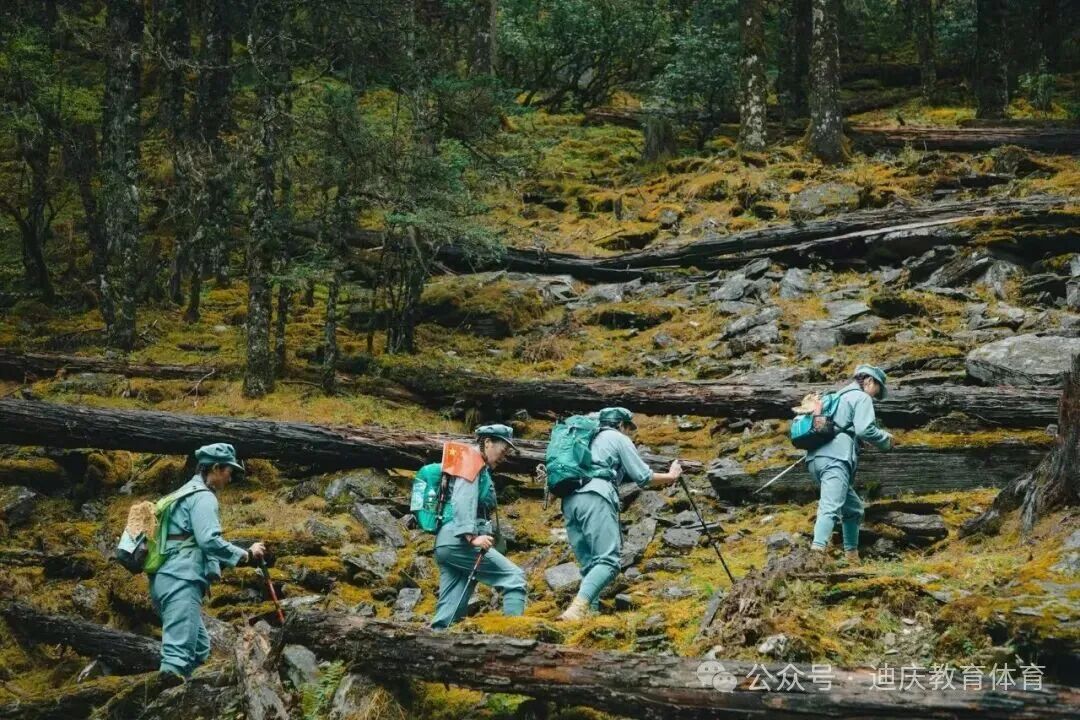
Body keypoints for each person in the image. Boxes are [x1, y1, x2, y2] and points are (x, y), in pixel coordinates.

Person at [150, 442, 266, 680]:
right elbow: (208, 541)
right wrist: (246, 555)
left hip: (164, 579)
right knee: (177, 656)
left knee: (199, 648)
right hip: (181, 579)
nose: (230, 478)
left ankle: (188, 693)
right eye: (229, 471)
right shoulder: (203, 497)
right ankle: (163, 697)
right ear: (215, 468)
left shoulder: (183, 493)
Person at [558, 407, 683, 622]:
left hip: (569, 500)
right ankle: (576, 611)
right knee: (608, 562)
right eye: (629, 428)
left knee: (590, 565)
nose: (630, 433)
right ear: (621, 425)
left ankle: (588, 617)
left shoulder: (584, 439)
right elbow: (643, 477)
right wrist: (671, 476)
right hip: (596, 495)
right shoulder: (617, 437)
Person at [431, 424, 527, 629]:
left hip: (446, 543)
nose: (505, 456)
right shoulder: (472, 459)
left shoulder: (476, 464)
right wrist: (471, 537)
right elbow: (462, 498)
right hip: (459, 540)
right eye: (504, 450)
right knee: (514, 578)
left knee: (450, 610)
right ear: (488, 442)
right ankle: (515, 637)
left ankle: (437, 639)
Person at [807, 365, 894, 564]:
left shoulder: (836, 397)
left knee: (853, 509)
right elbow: (865, 429)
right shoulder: (861, 397)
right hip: (836, 458)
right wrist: (886, 440)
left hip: (815, 459)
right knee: (830, 506)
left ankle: (852, 557)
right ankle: (815, 556)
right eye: (877, 389)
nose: (875, 395)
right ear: (869, 381)